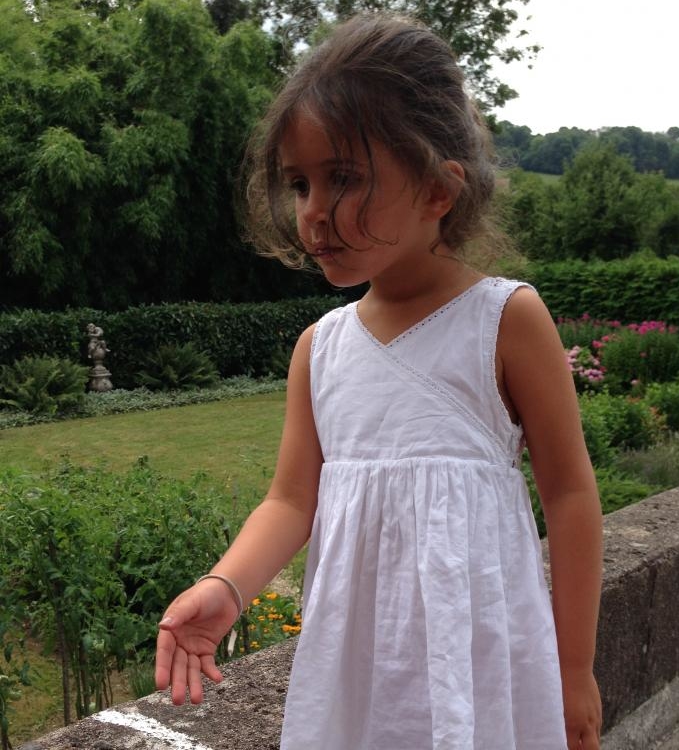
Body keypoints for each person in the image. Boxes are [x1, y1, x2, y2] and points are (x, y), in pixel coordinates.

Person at [154, 13, 603, 750]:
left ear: (437, 190)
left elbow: (570, 494)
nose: (313, 213)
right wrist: (225, 586)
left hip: (480, 664)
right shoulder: (320, 349)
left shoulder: (504, 320)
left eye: (345, 178)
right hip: (356, 671)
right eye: (300, 183)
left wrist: (574, 667)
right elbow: (291, 500)